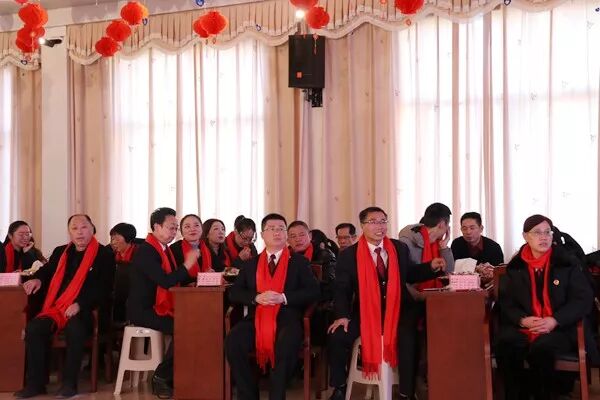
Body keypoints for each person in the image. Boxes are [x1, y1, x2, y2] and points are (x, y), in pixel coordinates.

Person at [327, 207, 447, 400]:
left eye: (383, 221)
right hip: (365, 312)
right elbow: (341, 289)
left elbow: (409, 274)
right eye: (373, 222)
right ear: (363, 225)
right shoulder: (349, 255)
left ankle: (406, 393)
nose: (380, 226)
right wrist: (342, 315)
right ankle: (339, 387)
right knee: (338, 335)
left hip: (399, 309)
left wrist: (430, 268)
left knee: (408, 337)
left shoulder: (398, 248)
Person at [14, 214, 113, 399]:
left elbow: (104, 287)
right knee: (34, 328)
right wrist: (37, 279)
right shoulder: (61, 252)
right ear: (69, 232)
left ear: (92, 229)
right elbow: (46, 271)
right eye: (74, 228)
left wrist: (80, 304)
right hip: (57, 308)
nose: (79, 232)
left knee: (75, 328)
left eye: (84, 227)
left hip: (87, 309)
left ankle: (69, 384)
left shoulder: (104, 254)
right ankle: (36, 384)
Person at [496, 214, 592, 400]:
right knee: (506, 343)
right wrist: (522, 320)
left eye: (547, 232)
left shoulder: (566, 263)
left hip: (560, 327)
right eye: (537, 233)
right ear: (525, 236)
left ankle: (545, 395)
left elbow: (582, 299)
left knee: (542, 348)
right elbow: (507, 302)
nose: (543, 237)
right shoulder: (516, 266)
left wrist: (555, 320)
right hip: (526, 325)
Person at [225, 213, 320, 400]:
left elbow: (314, 291)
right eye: (272, 229)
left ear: (286, 235)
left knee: (285, 345)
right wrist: (256, 297)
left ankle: (277, 396)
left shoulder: (299, 262)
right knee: (233, 342)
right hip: (256, 317)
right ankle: (248, 395)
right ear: (262, 235)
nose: (277, 233)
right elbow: (234, 292)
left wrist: (283, 297)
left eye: (281, 229)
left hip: (287, 318)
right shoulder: (251, 264)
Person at [127, 208, 198, 398]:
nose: (174, 232)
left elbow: (172, 279)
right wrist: (188, 264)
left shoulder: (163, 250)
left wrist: (190, 282)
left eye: (176, 228)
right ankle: (161, 376)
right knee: (184, 328)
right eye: (171, 227)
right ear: (156, 227)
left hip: (155, 307)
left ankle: (180, 375)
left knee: (192, 323)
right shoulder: (146, 251)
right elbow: (166, 281)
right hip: (143, 310)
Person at [397, 202, 454, 399]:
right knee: (410, 330)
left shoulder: (438, 242)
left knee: (449, 325)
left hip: (437, 298)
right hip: (412, 298)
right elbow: (404, 278)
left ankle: (442, 381)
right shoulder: (407, 240)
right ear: (442, 224)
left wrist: (444, 247)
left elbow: (449, 272)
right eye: (447, 225)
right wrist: (421, 296)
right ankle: (408, 389)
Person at [109, 222, 140, 324]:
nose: (113, 242)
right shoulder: (109, 253)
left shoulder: (140, 253)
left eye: (117, 239)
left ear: (128, 238)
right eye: (112, 239)